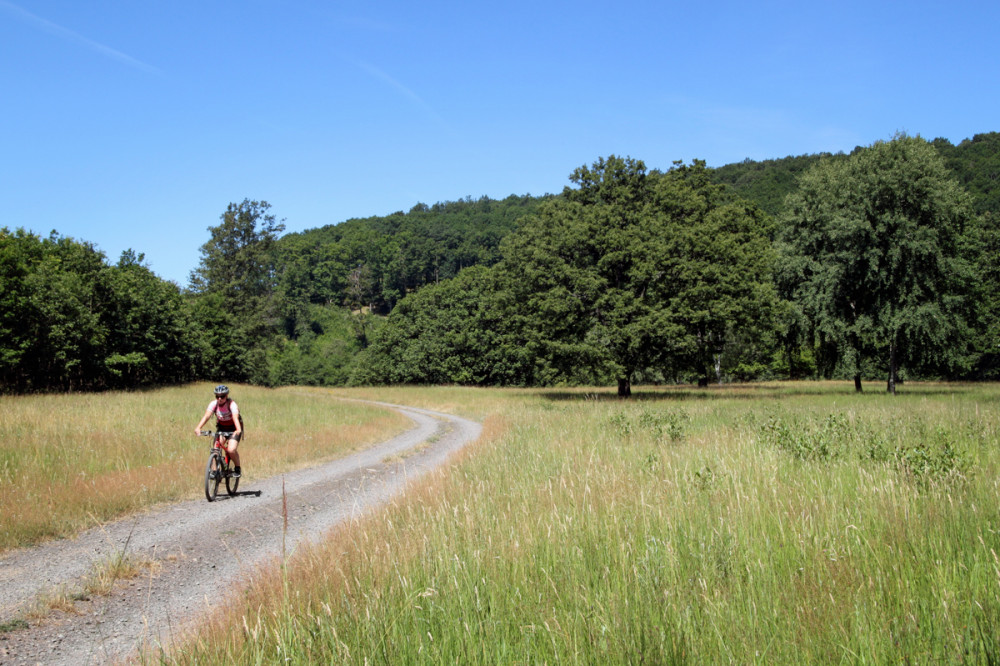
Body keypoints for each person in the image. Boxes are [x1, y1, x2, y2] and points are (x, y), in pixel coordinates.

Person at [194, 384, 242, 478]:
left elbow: (235, 418)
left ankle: (237, 468)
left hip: (234, 428)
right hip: (222, 428)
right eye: (217, 396)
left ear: (226, 396)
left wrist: (238, 429)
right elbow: (207, 416)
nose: (219, 399)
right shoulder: (214, 404)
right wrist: (198, 427)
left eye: (222, 396)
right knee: (215, 450)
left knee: (231, 450)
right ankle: (215, 472)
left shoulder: (232, 404)